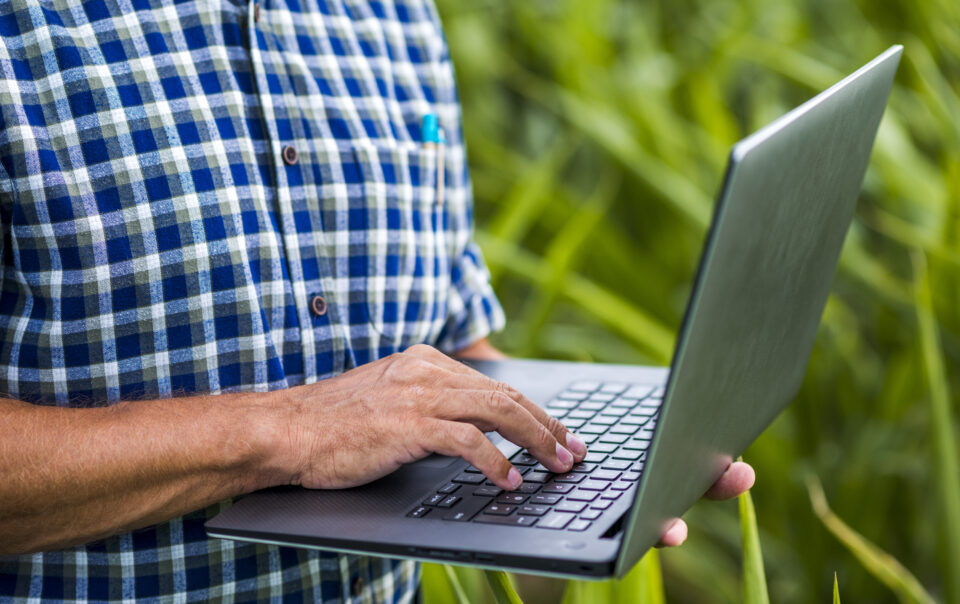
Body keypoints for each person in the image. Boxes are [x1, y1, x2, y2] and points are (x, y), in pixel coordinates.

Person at [0, 0, 755, 600]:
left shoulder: (396, 15)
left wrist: (584, 466)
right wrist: (293, 432)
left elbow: (452, 347)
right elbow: (336, 424)